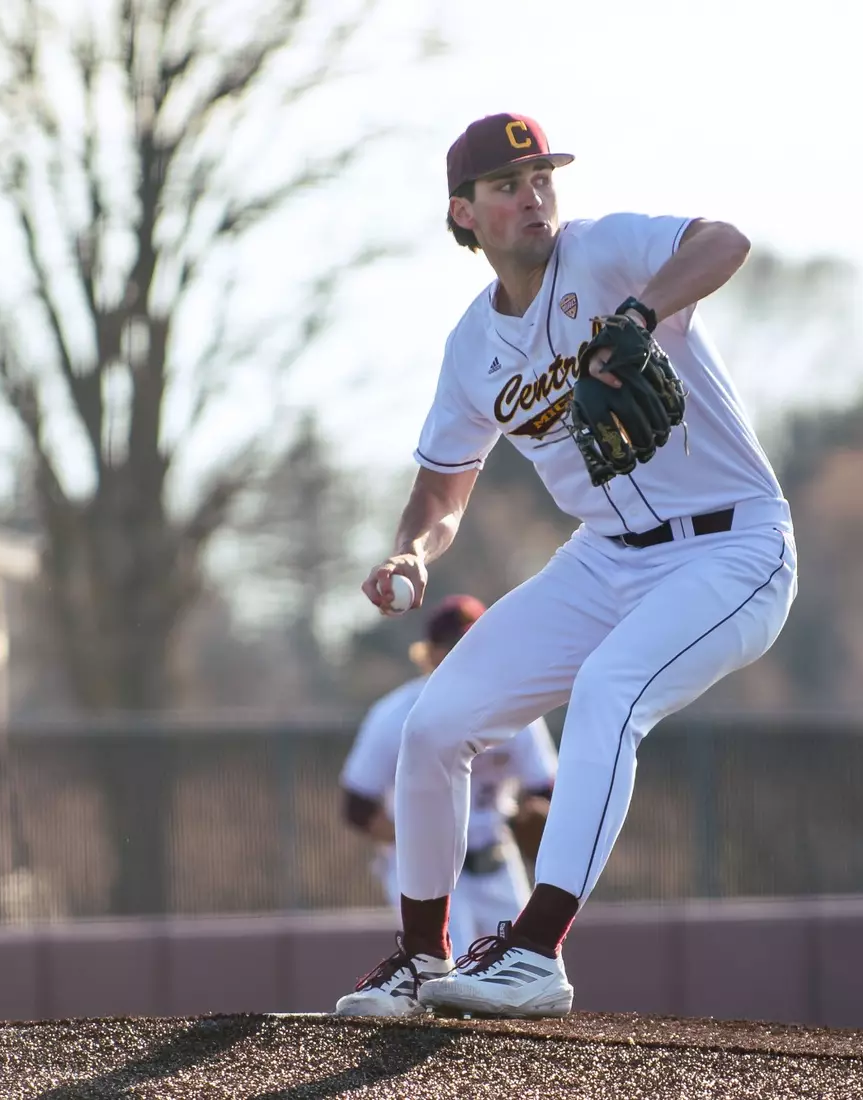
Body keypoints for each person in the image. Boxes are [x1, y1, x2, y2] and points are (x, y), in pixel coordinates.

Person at [334, 113, 798, 1019]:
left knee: (609, 693)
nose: (533, 193)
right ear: (463, 215)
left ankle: (536, 950)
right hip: (604, 560)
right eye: (507, 185)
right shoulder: (472, 347)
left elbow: (725, 240)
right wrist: (412, 553)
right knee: (434, 727)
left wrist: (640, 312)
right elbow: (441, 491)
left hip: (735, 543)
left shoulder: (610, 253)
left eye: (542, 174)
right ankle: (422, 958)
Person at [337, 593, 558, 961]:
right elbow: (357, 806)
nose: (468, 653)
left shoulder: (518, 709)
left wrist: (535, 818)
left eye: (478, 643)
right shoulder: (397, 715)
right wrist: (415, 843)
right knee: (446, 971)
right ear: (431, 653)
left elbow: (545, 790)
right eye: (457, 644)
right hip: (427, 868)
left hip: (494, 861)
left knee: (520, 963)